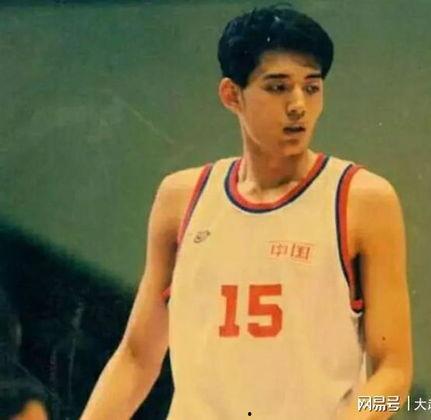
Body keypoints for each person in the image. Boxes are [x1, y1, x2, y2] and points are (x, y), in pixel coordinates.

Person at [81, 5, 412, 420]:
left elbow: (394, 376)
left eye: (311, 87)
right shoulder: (181, 198)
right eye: (278, 87)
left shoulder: (362, 199)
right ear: (231, 95)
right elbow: (136, 357)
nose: (298, 105)